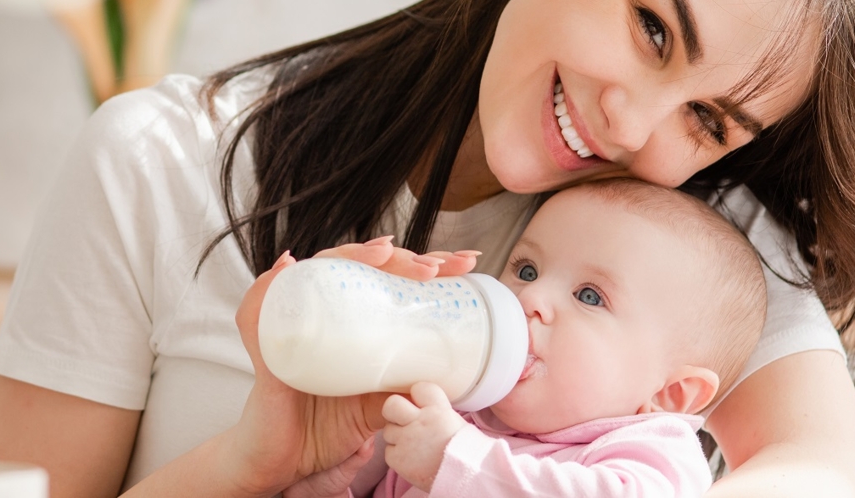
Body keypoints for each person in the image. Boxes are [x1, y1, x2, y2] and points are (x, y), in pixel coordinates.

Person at [0, 0, 855, 496]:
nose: (632, 126)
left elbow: (819, 471)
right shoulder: (159, 165)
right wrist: (245, 466)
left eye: (709, 120)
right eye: (653, 29)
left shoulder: (693, 243)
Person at [282, 178, 767, 498]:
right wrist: (333, 477)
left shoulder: (650, 456)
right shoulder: (455, 412)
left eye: (590, 296)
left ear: (669, 394)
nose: (530, 296)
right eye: (527, 269)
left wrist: (455, 460)